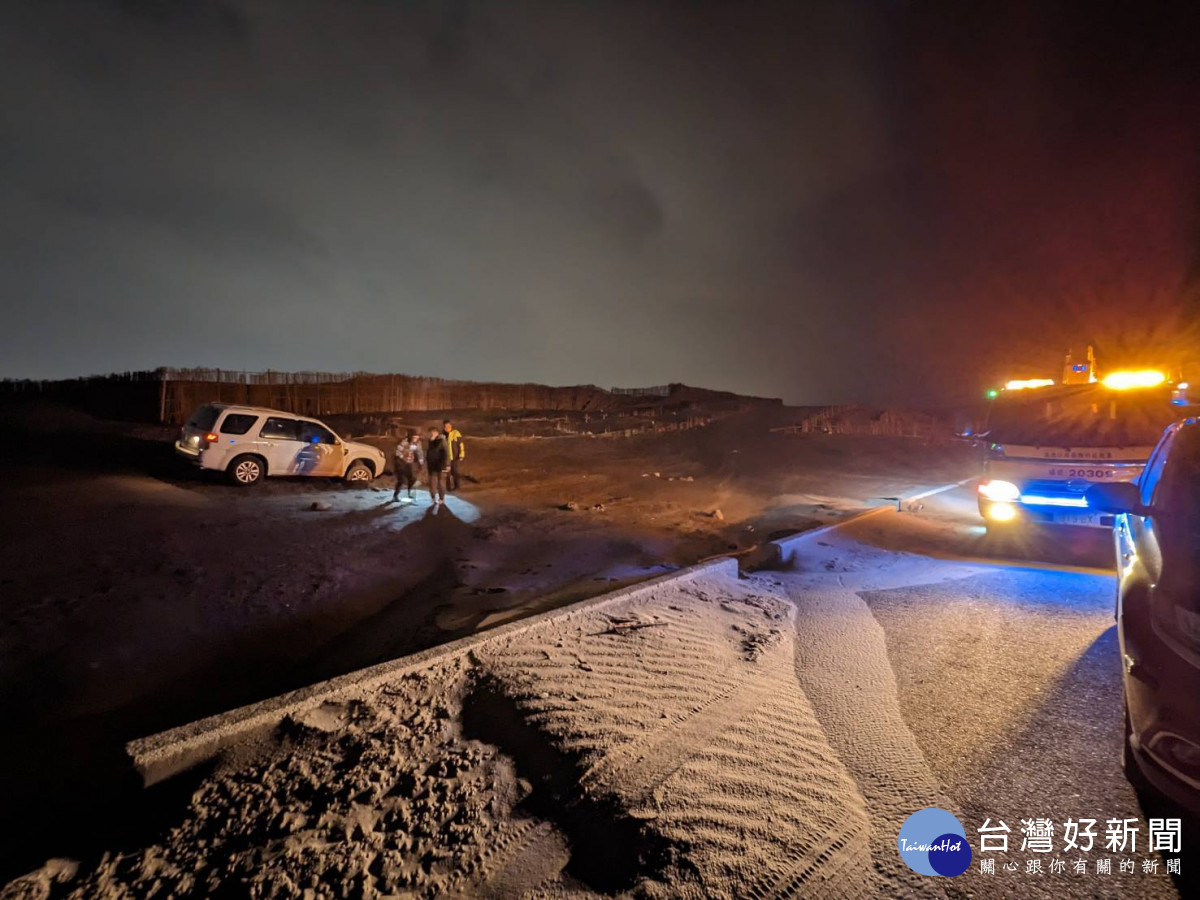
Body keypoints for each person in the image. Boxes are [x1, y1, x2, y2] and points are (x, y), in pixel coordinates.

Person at [392, 429, 424, 502]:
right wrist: (402, 456)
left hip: (410, 463)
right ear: (410, 437)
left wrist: (421, 462)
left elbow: (420, 453)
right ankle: (395, 495)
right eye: (414, 437)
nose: (416, 439)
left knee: (412, 479)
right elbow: (397, 452)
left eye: (417, 437)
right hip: (401, 463)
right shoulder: (404, 442)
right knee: (401, 480)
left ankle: (411, 495)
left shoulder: (418, 443)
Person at [425, 425, 450, 508]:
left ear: (435, 433)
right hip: (432, 466)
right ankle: (433, 497)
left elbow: (446, 453)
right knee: (432, 483)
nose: (429, 434)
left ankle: (441, 498)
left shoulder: (442, 441)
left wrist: (447, 464)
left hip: (441, 465)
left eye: (430, 433)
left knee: (441, 482)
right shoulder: (430, 441)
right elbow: (429, 453)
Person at [443, 419, 465, 491]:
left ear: (451, 425)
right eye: (445, 426)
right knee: (447, 473)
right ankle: (448, 487)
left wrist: (461, 454)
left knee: (455, 472)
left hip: (455, 457)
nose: (447, 427)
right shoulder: (443, 435)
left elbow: (461, 444)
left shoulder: (456, 433)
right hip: (446, 458)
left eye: (448, 425)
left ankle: (457, 486)